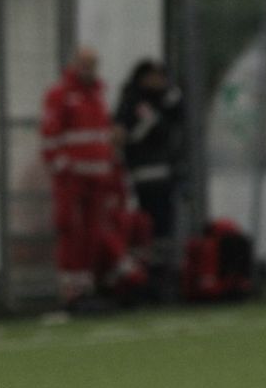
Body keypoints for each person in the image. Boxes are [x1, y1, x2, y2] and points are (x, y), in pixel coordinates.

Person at [40, 47, 117, 308]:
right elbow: (51, 135)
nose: (89, 70)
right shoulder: (61, 95)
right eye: (85, 64)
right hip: (72, 179)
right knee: (71, 230)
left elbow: (100, 135)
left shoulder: (97, 94)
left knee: (92, 234)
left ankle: (86, 287)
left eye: (93, 64)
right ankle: (70, 291)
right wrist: (62, 166)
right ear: (74, 64)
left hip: (96, 179)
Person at [114, 60, 184, 292]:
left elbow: (176, 125)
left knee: (165, 228)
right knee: (147, 227)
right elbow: (129, 134)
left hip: (165, 174)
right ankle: (147, 278)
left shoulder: (166, 101)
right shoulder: (133, 102)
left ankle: (163, 275)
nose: (159, 81)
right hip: (143, 175)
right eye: (154, 76)